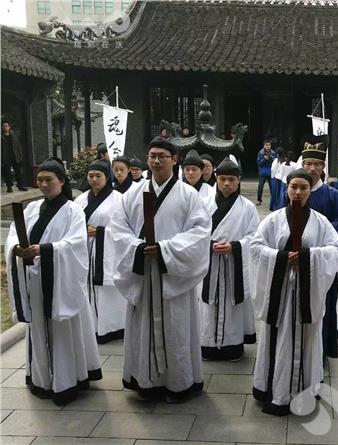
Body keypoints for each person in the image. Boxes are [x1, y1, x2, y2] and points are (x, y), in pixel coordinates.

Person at [111, 136, 211, 403]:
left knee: (177, 329)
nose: (156, 161)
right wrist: (138, 248)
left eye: (162, 156)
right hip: (142, 272)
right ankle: (144, 381)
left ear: (174, 160)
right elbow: (117, 230)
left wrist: (166, 250)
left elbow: (200, 233)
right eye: (152, 156)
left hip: (172, 277)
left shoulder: (189, 195)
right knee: (142, 328)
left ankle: (178, 383)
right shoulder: (131, 194)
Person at [5, 158, 102, 405]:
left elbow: (76, 245)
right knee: (37, 327)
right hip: (35, 279)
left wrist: (44, 250)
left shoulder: (73, 211)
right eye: (40, 180)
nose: (44, 184)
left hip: (59, 282)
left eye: (49, 180)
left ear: (62, 181)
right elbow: (14, 234)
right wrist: (17, 247)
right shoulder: (31, 208)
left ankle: (67, 380)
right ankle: (41, 377)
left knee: (61, 329)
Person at [251, 169, 338, 415]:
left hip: (306, 293)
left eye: (303, 187)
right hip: (279, 292)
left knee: (307, 338)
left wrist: (306, 258)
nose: (298, 192)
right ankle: (274, 390)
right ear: (287, 189)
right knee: (276, 338)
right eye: (294, 187)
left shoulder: (321, 222)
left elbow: (334, 250)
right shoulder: (273, 220)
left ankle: (305, 390)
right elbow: (256, 247)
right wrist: (281, 258)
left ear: (311, 190)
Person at [200, 157, 260, 361]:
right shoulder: (203, 204)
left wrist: (234, 246)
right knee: (208, 304)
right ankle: (207, 345)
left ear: (239, 181)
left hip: (234, 264)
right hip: (209, 262)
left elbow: (254, 237)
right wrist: (208, 245)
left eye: (231, 179)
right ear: (216, 179)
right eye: (223, 178)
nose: (226, 183)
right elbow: (194, 232)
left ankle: (233, 347)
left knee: (232, 305)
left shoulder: (248, 208)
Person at [299, 142, 338, 359]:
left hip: (321, 263)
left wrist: (319, 232)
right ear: (302, 165)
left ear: (323, 167)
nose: (312, 169)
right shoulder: (293, 191)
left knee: (323, 305)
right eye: (308, 163)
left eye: (317, 164)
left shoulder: (332, 195)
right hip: (296, 261)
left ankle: (319, 352)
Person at [74, 160, 127, 343]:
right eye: (91, 176)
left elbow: (124, 229)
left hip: (106, 251)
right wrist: (82, 230)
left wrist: (101, 231)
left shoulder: (119, 199)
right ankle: (90, 327)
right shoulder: (80, 200)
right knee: (86, 288)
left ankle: (111, 327)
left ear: (107, 177)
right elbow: (71, 225)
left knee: (108, 292)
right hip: (85, 250)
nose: (94, 179)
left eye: (99, 176)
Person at [1, 119, 28, 192]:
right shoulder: (1, 136)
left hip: (15, 156)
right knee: (7, 173)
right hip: (5, 157)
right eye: (3, 126)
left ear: (9, 127)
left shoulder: (13, 135)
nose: (5, 127)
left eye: (6, 126)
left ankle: (21, 186)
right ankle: (9, 187)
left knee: (18, 171)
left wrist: (20, 154)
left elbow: (18, 145)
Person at [256, 139, 273, 206]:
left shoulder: (273, 152)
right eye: (266, 145)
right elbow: (259, 163)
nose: (268, 146)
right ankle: (259, 200)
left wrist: (271, 158)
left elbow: (275, 162)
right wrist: (264, 159)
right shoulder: (260, 153)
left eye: (269, 145)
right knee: (260, 186)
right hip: (262, 172)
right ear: (264, 146)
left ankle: (273, 200)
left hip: (270, 172)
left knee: (272, 187)